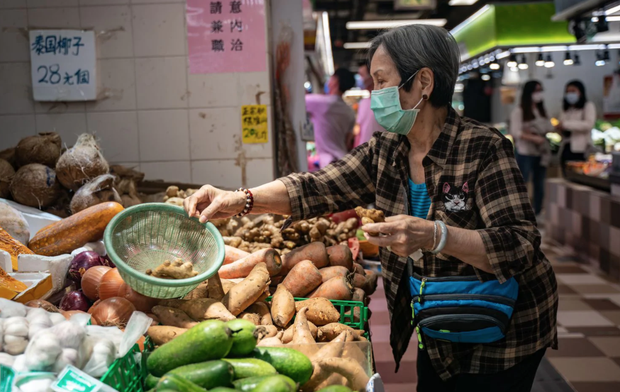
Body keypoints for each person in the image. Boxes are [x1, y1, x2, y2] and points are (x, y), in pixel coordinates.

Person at [185, 25, 557, 392]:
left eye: (381, 81)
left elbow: (519, 245)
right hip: (440, 322)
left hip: (505, 328)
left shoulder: (483, 148)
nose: (373, 93)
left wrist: (433, 235)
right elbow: (317, 186)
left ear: (423, 83)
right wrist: (241, 199)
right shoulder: (387, 150)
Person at [509, 81, 553, 217]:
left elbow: (549, 126)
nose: (539, 93)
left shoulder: (541, 111)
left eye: (540, 90)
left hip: (540, 153)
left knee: (539, 184)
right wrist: (532, 137)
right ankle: (521, 214)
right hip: (524, 152)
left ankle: (538, 211)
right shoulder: (519, 110)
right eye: (536, 90)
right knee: (522, 185)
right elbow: (515, 132)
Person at [305, 68, 357, 168]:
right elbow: (348, 141)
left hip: (327, 163)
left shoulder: (322, 103)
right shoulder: (349, 112)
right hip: (343, 159)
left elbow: (299, 100)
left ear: (335, 81)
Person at [558, 80, 596, 175]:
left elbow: (588, 124)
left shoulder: (588, 106)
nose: (570, 94)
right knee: (566, 175)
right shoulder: (565, 109)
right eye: (568, 91)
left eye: (573, 91)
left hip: (581, 149)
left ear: (580, 92)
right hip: (566, 146)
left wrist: (566, 124)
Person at [354, 62, 385, 147]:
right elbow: (359, 132)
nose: (359, 78)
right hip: (364, 152)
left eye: (361, 75)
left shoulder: (385, 102)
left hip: (380, 151)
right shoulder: (363, 102)